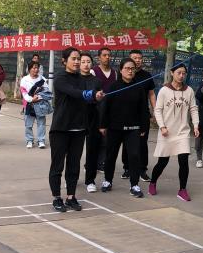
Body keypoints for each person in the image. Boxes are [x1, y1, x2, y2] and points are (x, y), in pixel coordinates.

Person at [48, 47, 104, 213]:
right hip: (61, 129)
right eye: (74, 58)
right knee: (57, 166)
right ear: (64, 61)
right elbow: (74, 93)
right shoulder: (60, 78)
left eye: (79, 59)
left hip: (79, 129)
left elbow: (88, 98)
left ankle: (71, 197)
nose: (77, 61)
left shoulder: (83, 79)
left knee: (74, 166)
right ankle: (57, 198)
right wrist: (90, 94)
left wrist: (97, 96)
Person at [99, 58, 150, 198]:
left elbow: (143, 109)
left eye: (132, 68)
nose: (130, 71)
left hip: (133, 128)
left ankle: (134, 185)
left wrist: (144, 127)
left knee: (134, 156)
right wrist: (103, 125)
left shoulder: (139, 88)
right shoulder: (113, 86)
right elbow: (106, 107)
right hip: (114, 128)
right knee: (111, 155)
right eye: (127, 68)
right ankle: (107, 181)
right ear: (121, 70)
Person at [148, 61, 199, 201]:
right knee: (162, 162)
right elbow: (158, 110)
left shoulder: (189, 90)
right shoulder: (164, 90)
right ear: (172, 73)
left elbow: (193, 109)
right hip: (167, 132)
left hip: (183, 132)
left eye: (184, 73)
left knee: (184, 161)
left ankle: (182, 190)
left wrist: (195, 125)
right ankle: (153, 182)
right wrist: (162, 126)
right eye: (179, 73)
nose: (181, 76)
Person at [84, 46, 118, 192]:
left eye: (109, 55)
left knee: (106, 142)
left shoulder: (115, 73)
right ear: (99, 57)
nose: (107, 57)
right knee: (92, 144)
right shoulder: (93, 73)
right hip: (95, 112)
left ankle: (100, 164)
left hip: (110, 112)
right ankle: (89, 170)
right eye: (104, 55)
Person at [121, 49, 156, 181]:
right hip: (126, 114)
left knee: (142, 142)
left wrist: (155, 110)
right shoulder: (124, 74)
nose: (137, 60)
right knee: (126, 142)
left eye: (139, 58)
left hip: (143, 115)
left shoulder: (147, 75)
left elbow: (151, 94)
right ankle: (127, 168)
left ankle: (142, 169)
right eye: (134, 58)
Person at [20, 61, 48, 148]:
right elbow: (23, 92)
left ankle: (41, 141)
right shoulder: (24, 80)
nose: (36, 70)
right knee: (28, 124)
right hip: (29, 105)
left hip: (40, 104)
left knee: (41, 123)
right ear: (29, 69)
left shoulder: (42, 79)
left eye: (37, 68)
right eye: (34, 68)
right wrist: (31, 99)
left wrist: (38, 97)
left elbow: (46, 91)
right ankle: (29, 140)